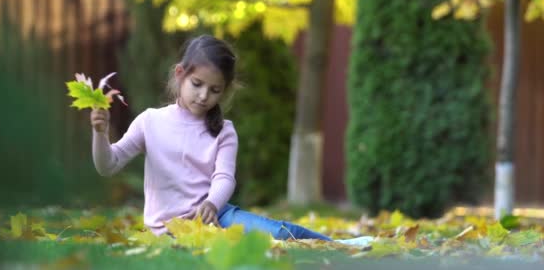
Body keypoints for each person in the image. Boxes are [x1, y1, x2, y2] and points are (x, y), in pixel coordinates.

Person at [90, 34, 372, 244]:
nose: (203, 96)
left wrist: (212, 204)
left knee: (279, 233)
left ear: (224, 91)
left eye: (214, 90)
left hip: (218, 218)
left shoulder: (224, 130)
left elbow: (224, 177)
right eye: (197, 85)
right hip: (168, 231)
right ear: (180, 74)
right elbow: (108, 165)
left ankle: (339, 245)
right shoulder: (150, 121)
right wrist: (100, 134)